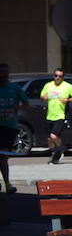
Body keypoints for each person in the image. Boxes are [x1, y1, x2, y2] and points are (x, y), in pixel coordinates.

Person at [40, 69, 72, 164]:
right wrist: (44, 97)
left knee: (53, 136)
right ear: (53, 76)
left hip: (61, 115)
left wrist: (68, 100)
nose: (57, 78)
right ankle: (55, 155)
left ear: (63, 77)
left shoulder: (67, 86)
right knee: (49, 139)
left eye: (60, 76)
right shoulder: (48, 85)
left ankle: (60, 149)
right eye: (56, 76)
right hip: (49, 115)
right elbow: (42, 96)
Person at [0, 63, 27, 192]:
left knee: (3, 155)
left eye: (6, 73)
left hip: (9, 127)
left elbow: (26, 104)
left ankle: (7, 184)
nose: (4, 76)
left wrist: (18, 108)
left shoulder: (15, 88)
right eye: (2, 73)